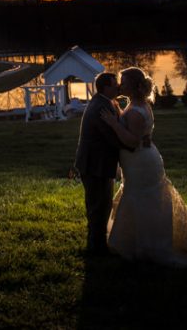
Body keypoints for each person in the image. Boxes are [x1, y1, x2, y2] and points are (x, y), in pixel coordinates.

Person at [100, 66, 187, 267]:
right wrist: (117, 111)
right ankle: (137, 243)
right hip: (141, 160)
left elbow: (132, 141)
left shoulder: (136, 111)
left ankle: (150, 246)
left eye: (124, 82)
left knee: (143, 200)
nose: (120, 85)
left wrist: (113, 124)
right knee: (140, 198)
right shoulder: (135, 104)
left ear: (135, 86)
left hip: (141, 162)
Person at [74, 72, 130, 256]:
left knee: (101, 204)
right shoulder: (101, 107)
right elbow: (113, 138)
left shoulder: (105, 101)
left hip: (97, 162)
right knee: (99, 205)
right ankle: (95, 247)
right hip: (94, 164)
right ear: (105, 87)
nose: (119, 88)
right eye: (115, 86)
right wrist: (134, 145)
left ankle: (97, 243)